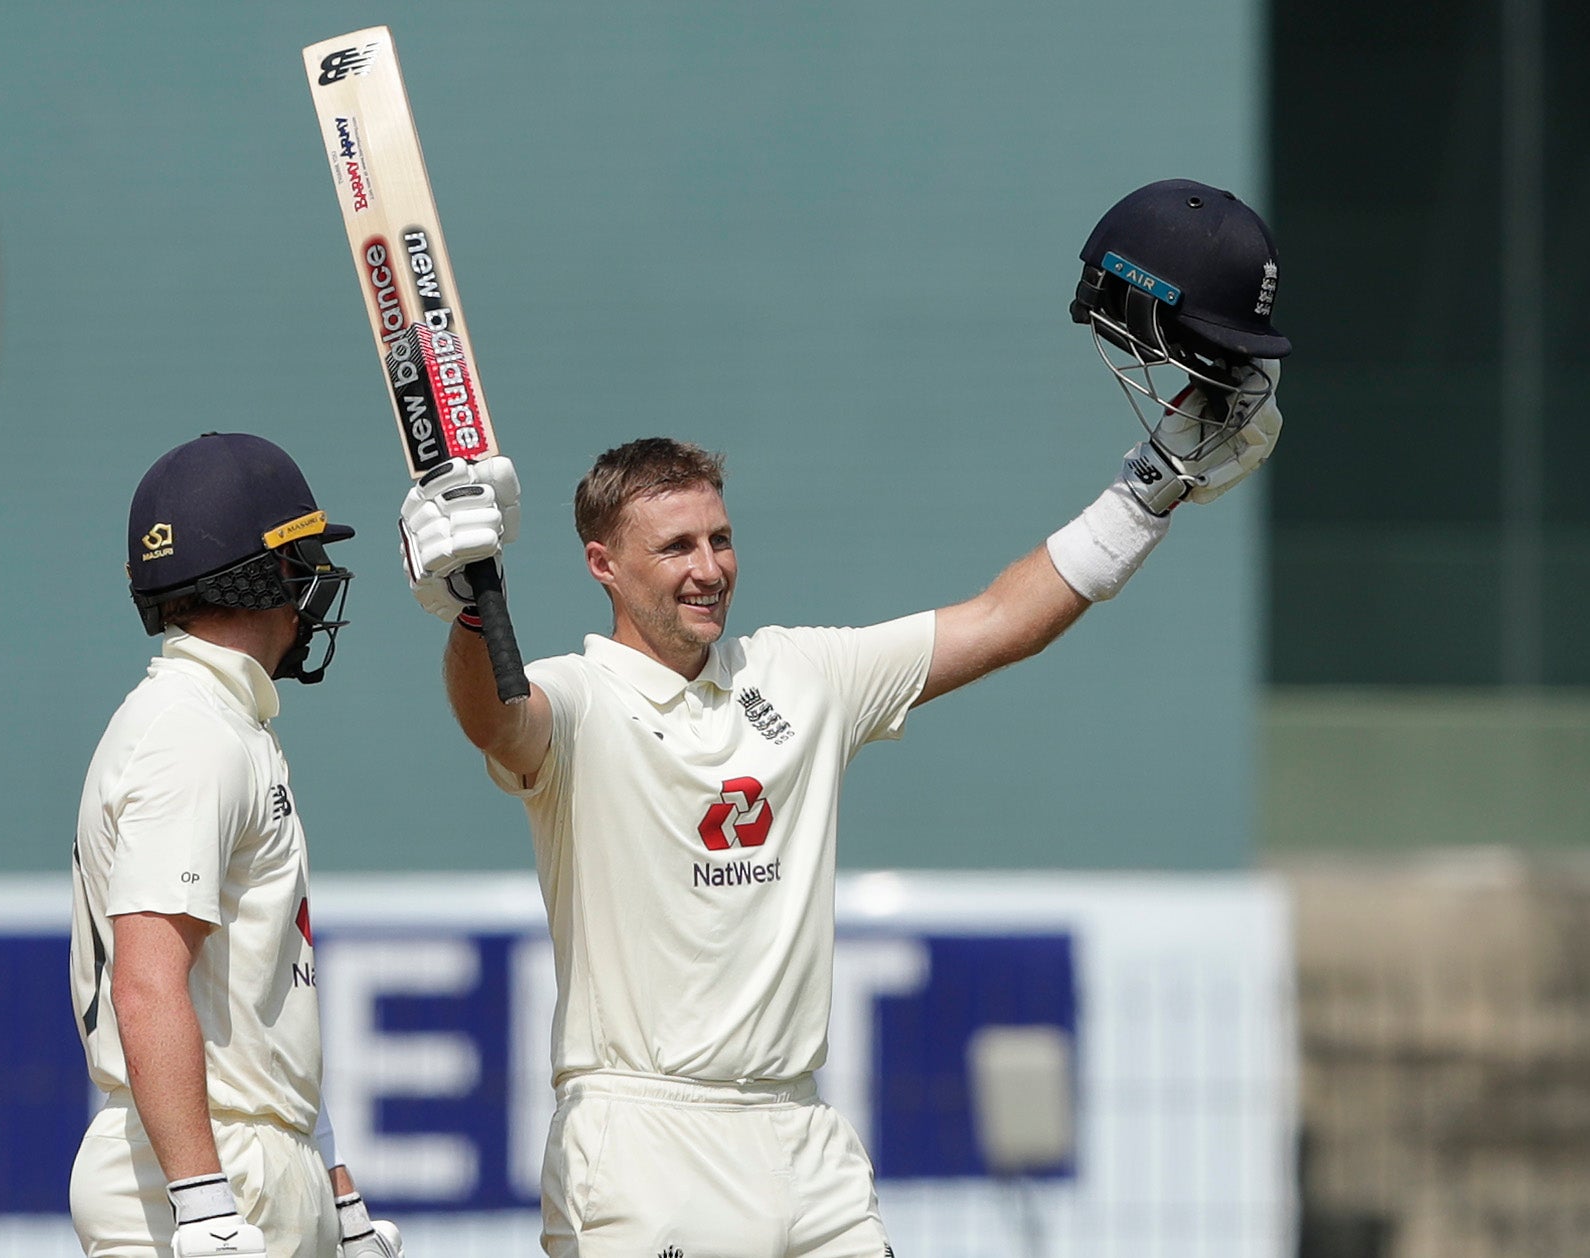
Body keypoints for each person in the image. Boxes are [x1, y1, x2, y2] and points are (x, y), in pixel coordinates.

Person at [396, 178, 1290, 1257]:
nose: (708, 568)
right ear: (601, 564)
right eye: (675, 547)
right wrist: (460, 607)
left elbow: (1003, 619)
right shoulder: (579, 701)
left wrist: (1145, 494)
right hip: (639, 1133)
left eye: (719, 539)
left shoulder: (802, 674)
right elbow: (498, 722)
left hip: (798, 1132)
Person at [69, 432, 402, 1258]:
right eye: (303, 563)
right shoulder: (189, 733)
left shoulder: (219, 724)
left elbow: (257, 1011)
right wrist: (203, 1206)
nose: (314, 588)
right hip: (198, 1172)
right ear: (267, 573)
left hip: (241, 1158)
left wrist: (334, 1191)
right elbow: (146, 986)